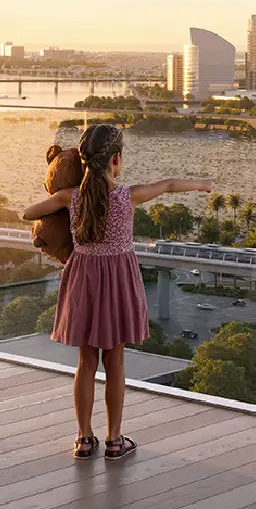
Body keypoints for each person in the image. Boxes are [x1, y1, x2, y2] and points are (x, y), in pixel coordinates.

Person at [22, 124, 210, 460]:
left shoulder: (72, 198)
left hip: (83, 279)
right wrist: (203, 184)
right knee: (115, 362)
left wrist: (60, 200)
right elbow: (167, 185)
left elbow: (28, 213)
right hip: (117, 281)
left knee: (85, 362)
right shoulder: (127, 196)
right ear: (117, 159)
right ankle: (114, 440)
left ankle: (83, 439)